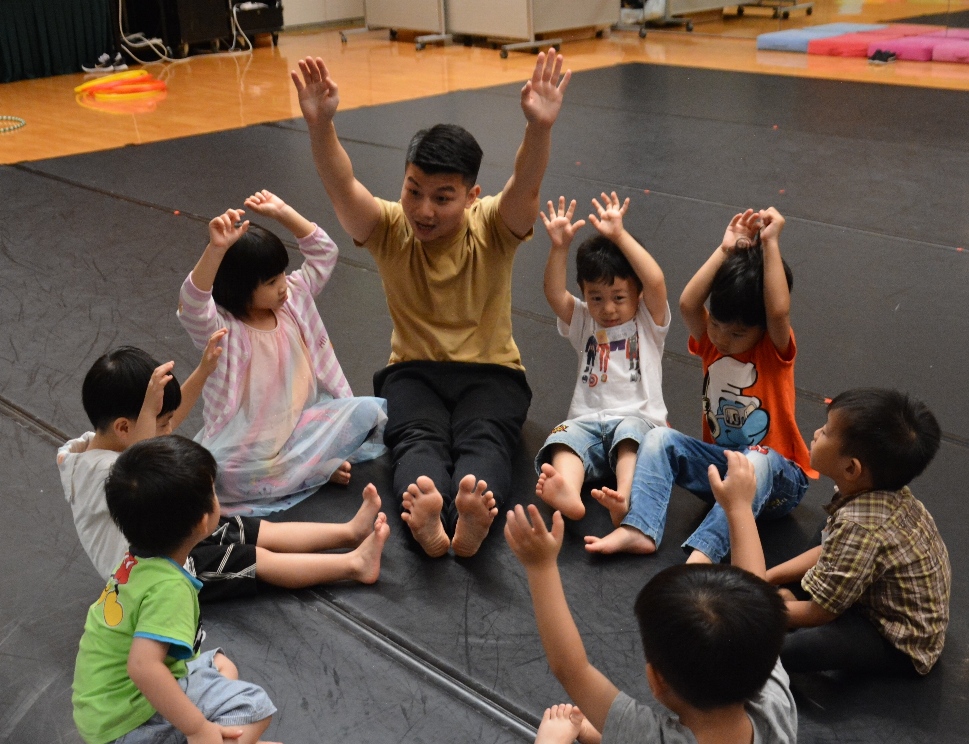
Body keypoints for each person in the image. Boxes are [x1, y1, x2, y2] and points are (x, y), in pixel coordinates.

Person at [291, 50, 570, 557]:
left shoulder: (494, 225)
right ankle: (429, 512)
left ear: (471, 195)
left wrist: (539, 128)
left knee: (486, 437)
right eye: (413, 190)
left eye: (442, 198)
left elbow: (525, 184)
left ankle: (471, 512)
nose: (423, 210)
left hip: (492, 373)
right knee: (415, 439)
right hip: (413, 372)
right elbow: (342, 185)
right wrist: (321, 126)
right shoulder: (388, 227)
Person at [506, 450, 797, 744]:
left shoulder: (650, 737)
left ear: (657, 679)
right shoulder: (774, 707)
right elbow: (756, 598)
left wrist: (541, 567)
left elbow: (571, 669)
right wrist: (739, 508)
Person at [58, 345, 390, 602]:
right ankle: (354, 565)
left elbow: (159, 426)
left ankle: (348, 533)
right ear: (123, 427)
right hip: (155, 571)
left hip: (168, 533)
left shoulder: (101, 443)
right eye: (160, 423)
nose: (169, 430)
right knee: (256, 559)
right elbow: (141, 456)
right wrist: (148, 410)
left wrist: (202, 372)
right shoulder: (100, 474)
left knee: (253, 530)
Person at [586, 207, 815, 562]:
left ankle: (704, 551)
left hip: (777, 484)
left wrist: (770, 243)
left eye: (736, 333)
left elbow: (778, 312)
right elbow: (688, 303)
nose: (721, 338)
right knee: (658, 438)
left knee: (757, 460)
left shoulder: (771, 351)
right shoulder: (711, 343)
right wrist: (725, 250)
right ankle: (639, 528)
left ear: (760, 331)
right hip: (723, 478)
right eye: (717, 325)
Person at [178, 189, 388, 515]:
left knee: (368, 412)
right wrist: (215, 250)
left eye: (282, 275)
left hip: (301, 425)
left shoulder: (294, 299)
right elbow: (192, 305)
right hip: (250, 442)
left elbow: (325, 253)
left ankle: (302, 468)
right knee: (217, 475)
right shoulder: (222, 330)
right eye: (271, 281)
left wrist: (283, 212)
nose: (283, 286)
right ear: (240, 288)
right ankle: (313, 470)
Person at [72, 435, 277, 744]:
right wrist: (198, 728)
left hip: (101, 711)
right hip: (127, 725)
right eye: (213, 490)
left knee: (221, 665)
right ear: (202, 521)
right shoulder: (170, 587)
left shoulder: (135, 561)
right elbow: (143, 667)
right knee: (255, 706)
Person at [767, 388, 950, 675]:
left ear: (851, 469)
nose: (816, 433)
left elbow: (821, 613)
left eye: (826, 432)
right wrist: (768, 577)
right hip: (870, 584)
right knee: (827, 531)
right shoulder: (878, 491)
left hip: (896, 639)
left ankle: (782, 612)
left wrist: (762, 611)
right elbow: (829, 547)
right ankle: (791, 599)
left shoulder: (859, 526)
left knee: (798, 648)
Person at [533, 193, 669, 523]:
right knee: (563, 439)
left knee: (632, 440)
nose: (607, 308)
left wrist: (619, 235)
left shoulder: (648, 321)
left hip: (637, 419)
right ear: (584, 294)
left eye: (618, 297)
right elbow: (554, 293)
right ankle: (568, 490)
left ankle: (624, 496)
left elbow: (655, 280)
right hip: (588, 422)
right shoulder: (584, 321)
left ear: (637, 293)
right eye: (596, 298)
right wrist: (559, 247)